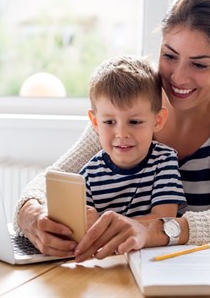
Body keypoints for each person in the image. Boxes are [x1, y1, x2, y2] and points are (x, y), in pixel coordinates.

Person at [14, 0, 210, 262]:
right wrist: (30, 215)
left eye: (199, 64)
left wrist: (156, 229)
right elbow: (51, 182)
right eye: (169, 56)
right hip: (124, 275)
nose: (178, 76)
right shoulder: (132, 108)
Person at [80, 55, 186, 220]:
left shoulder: (164, 161)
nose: (122, 133)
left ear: (157, 120)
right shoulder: (88, 175)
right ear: (95, 122)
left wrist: (108, 225)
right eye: (109, 122)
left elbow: (165, 218)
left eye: (135, 121)